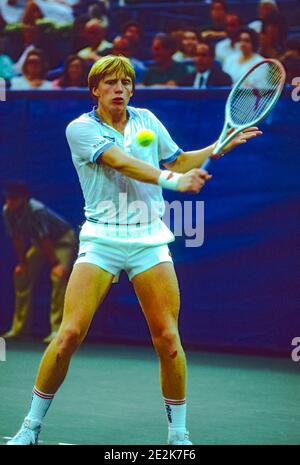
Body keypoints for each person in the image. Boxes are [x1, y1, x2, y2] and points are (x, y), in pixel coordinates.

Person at [6, 55, 262, 446]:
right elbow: (121, 163)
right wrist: (176, 183)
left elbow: (178, 160)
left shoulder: (146, 120)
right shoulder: (80, 129)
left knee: (167, 339)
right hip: (102, 239)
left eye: (126, 82)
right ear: (95, 89)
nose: (120, 89)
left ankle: (179, 436)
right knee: (70, 333)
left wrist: (219, 146)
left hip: (148, 240)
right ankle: (30, 427)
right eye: (110, 83)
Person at [2, 181, 77, 344]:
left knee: (58, 277)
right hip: (41, 243)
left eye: (14, 199)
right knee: (21, 276)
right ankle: (19, 329)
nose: (10, 202)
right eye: (8, 198)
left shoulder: (37, 211)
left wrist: (56, 264)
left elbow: (45, 239)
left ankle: (57, 330)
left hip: (62, 240)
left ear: (24, 199)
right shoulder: (7, 211)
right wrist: (22, 264)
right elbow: (18, 238)